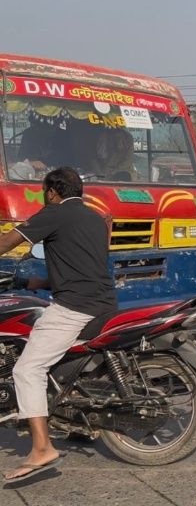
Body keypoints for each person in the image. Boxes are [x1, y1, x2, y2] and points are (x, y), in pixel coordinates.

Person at [0, 167, 118, 483]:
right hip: (103, 303)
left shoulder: (53, 213)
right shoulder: (94, 218)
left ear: (53, 192)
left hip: (74, 308)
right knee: (52, 358)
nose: (45, 197)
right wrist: (42, 280)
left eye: (45, 192)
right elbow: (83, 265)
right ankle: (74, 422)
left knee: (27, 369)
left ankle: (41, 448)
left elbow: (7, 243)